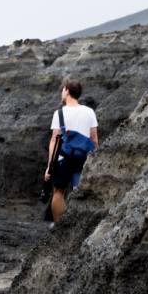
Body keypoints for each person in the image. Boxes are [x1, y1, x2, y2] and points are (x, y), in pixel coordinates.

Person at [44, 80, 99, 224]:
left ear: (67, 91)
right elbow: (94, 139)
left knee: (58, 192)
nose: (62, 93)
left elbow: (54, 140)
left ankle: (59, 227)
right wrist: (95, 161)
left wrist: (50, 165)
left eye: (63, 90)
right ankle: (79, 228)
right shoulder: (89, 112)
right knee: (79, 191)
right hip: (83, 158)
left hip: (63, 158)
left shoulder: (59, 113)